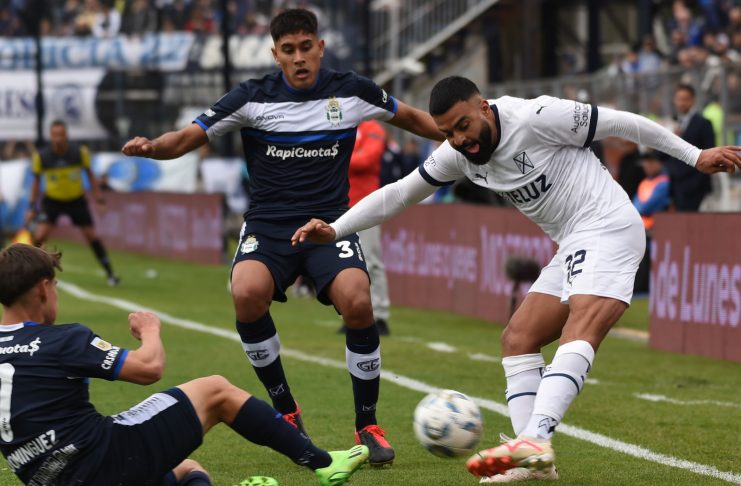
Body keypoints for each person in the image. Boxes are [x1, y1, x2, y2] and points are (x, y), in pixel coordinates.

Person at [291, 76, 741, 482]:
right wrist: (337, 228)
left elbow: (624, 123)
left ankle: (537, 439)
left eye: (464, 125)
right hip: (572, 243)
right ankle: (532, 461)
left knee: (579, 324)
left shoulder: (538, 116)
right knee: (518, 338)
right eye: (448, 132)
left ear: (484, 106)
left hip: (609, 227)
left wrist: (694, 154)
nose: (460, 139)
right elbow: (400, 193)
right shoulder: (457, 154)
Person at [121, 8, 444, 467]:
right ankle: (286, 411)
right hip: (269, 226)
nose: (299, 58)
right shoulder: (251, 98)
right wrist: (154, 147)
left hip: (331, 223)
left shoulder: (352, 91)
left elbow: (412, 118)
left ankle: (368, 424)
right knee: (246, 293)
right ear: (276, 54)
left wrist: (463, 138)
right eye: (288, 50)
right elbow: (189, 136)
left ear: (320, 47)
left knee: (357, 299)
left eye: (305, 47)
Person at [0, 243, 368, 486]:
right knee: (216, 390)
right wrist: (150, 330)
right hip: (101, 460)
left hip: (49, 479)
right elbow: (149, 368)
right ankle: (322, 461)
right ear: (44, 288)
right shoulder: (63, 339)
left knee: (187, 472)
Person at [27, 120, 119, 286]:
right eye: (55, 135)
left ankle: (110, 274)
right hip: (52, 201)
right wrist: (32, 207)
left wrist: (99, 199)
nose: (58, 139)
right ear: (51, 136)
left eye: (61, 135)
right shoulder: (41, 157)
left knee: (92, 237)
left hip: (76, 201)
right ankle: (33, 274)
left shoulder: (79, 153)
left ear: (66, 135)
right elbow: (35, 183)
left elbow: (91, 176)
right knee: (39, 236)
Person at [342, 119, 391, 335]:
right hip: (341, 204)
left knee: (370, 260)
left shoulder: (373, 129)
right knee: (345, 264)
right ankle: (351, 313)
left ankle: (380, 315)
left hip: (367, 205)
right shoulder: (342, 127)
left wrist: (338, 157)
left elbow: (367, 160)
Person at [663, 83, 716, 211]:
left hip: (696, 186)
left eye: (685, 99)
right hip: (675, 185)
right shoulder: (671, 123)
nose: (682, 103)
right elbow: (661, 155)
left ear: (693, 100)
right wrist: (668, 137)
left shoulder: (703, 124)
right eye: (679, 99)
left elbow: (710, 152)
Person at [632, 151, 671, 294]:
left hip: (654, 232)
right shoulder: (645, 182)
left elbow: (644, 206)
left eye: (649, 162)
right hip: (641, 232)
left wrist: (637, 209)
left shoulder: (663, 182)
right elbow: (636, 205)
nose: (646, 166)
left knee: (650, 266)